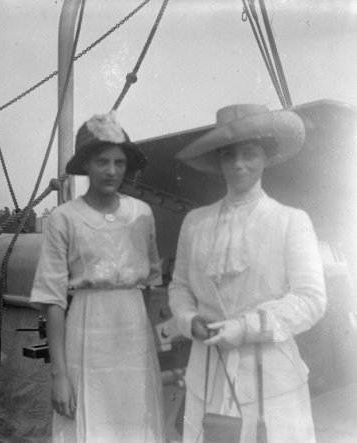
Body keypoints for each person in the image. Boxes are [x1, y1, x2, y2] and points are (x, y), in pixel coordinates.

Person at [168, 104, 326, 442]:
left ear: (266, 158)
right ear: (220, 161)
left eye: (249, 153)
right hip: (208, 373)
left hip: (271, 380)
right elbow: (180, 287)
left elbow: (311, 299)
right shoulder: (196, 222)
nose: (239, 164)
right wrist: (189, 319)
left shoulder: (290, 220)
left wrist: (245, 327)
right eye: (230, 155)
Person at [30, 112, 165, 442]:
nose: (112, 171)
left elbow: (149, 285)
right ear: (86, 165)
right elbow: (52, 300)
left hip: (134, 338)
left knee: (136, 422)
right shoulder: (64, 219)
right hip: (88, 334)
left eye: (119, 162)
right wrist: (59, 376)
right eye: (102, 161)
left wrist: (152, 348)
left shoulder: (141, 214)